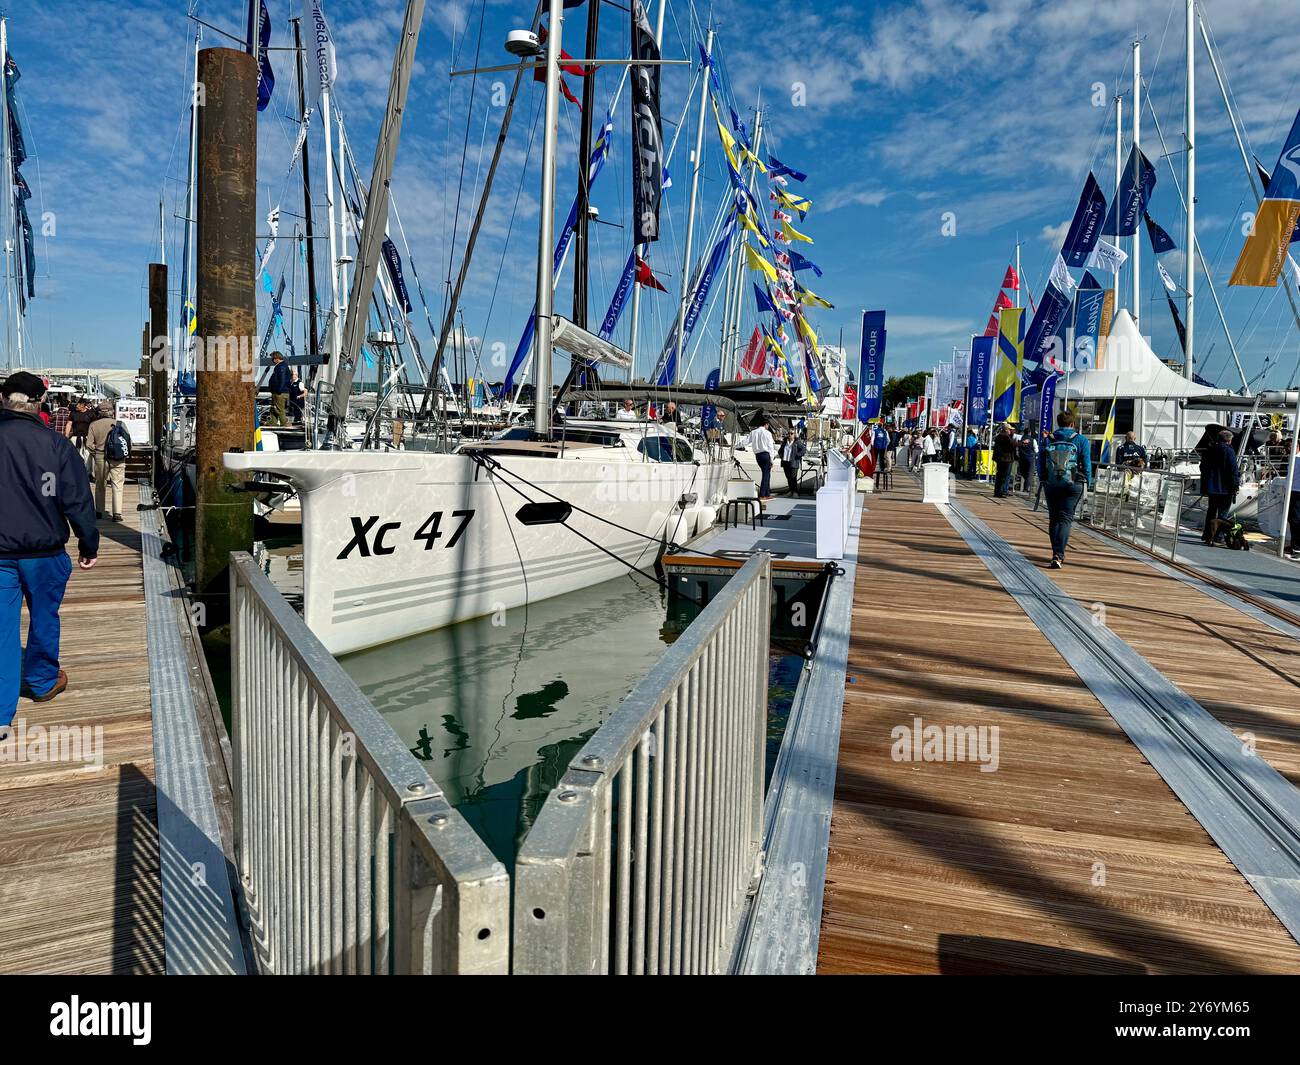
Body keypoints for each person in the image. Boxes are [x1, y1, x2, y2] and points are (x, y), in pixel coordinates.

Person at [0, 372, 99, 740]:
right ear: (39, 403)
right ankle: (41, 681)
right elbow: (76, 499)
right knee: (44, 617)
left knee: (1, 629)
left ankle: (0, 713)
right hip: (44, 551)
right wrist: (89, 544)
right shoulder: (56, 446)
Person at [1038, 410, 1092, 568]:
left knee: (1054, 518)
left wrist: (1043, 477)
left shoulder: (1048, 439)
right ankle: (1058, 555)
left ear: (1058, 423)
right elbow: (1086, 463)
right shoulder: (1081, 440)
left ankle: (1056, 552)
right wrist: (1087, 482)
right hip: (1074, 484)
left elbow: (1040, 460)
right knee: (1066, 519)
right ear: (1072, 424)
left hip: (1051, 483)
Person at [85, 403, 130, 522]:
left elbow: (89, 444)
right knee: (118, 484)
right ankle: (117, 513)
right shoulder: (120, 424)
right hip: (118, 458)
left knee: (100, 485)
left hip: (100, 457)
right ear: (112, 412)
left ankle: (99, 511)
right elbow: (128, 442)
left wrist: (96, 454)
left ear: (99, 412)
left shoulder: (94, 425)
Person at [1199, 428, 1240, 546]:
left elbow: (1202, 467)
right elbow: (1233, 470)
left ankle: (1207, 534)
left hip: (1212, 486)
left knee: (1211, 511)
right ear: (1229, 440)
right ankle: (1218, 537)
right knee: (1223, 514)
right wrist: (1235, 485)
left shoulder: (1209, 450)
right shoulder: (1229, 451)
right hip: (1225, 488)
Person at [748, 415, 775, 500]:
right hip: (765, 455)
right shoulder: (767, 433)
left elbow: (746, 441)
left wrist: (736, 446)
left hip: (758, 456)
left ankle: (767, 493)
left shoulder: (753, 432)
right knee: (766, 474)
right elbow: (770, 447)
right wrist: (772, 460)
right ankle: (762, 494)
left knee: (767, 473)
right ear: (766, 424)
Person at [267, 350, 292, 427]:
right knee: (274, 408)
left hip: (280, 392)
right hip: (277, 391)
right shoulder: (281, 366)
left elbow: (282, 379)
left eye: (273, 359)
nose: (272, 360)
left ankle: (284, 423)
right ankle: (273, 422)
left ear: (276, 358)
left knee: (279, 408)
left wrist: (279, 390)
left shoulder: (281, 366)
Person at [992, 425, 1017, 497]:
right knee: (1003, 476)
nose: (1011, 431)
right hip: (1004, 459)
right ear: (1007, 430)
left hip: (1001, 459)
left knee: (1001, 475)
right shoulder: (1005, 437)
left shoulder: (1000, 436)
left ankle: (999, 491)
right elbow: (1011, 445)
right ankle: (1000, 491)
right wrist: (1022, 443)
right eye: (1010, 430)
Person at [779, 429, 806, 496]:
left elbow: (803, 450)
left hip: (793, 462)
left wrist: (797, 455)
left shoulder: (797, 442)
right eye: (789, 433)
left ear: (794, 435)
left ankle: (795, 492)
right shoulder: (785, 442)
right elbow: (780, 451)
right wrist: (781, 456)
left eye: (792, 433)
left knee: (793, 478)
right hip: (785, 462)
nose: (790, 435)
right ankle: (791, 491)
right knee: (788, 478)